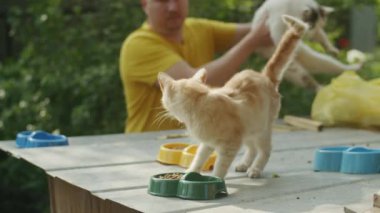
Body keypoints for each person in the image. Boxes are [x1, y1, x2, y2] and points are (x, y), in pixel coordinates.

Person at [119, 0, 272, 133]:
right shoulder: (138, 44)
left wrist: (284, 12)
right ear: (145, 4)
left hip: (198, 143)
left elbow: (262, 32)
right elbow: (191, 85)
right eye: (163, 0)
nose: (172, 7)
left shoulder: (198, 28)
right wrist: (252, 41)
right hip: (147, 148)